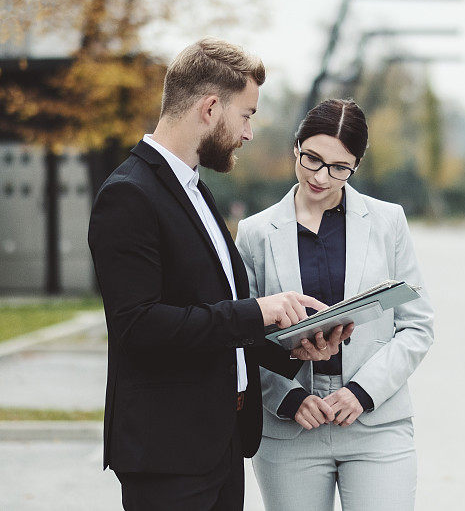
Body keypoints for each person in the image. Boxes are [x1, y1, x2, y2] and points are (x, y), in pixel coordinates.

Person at [87, 38, 352, 511]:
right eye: (247, 115)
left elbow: (210, 321)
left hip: (221, 445)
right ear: (210, 108)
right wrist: (256, 311)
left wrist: (292, 346)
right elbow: (139, 327)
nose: (249, 133)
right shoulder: (128, 195)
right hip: (168, 456)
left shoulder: (196, 190)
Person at [235, 99, 434, 510]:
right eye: (312, 159)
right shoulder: (254, 233)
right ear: (296, 147)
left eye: (339, 167)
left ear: (356, 165)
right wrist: (286, 398)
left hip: (376, 423)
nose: (321, 176)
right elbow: (241, 334)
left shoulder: (387, 222)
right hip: (291, 429)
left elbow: (417, 325)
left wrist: (362, 391)